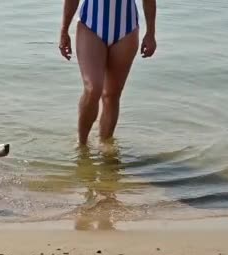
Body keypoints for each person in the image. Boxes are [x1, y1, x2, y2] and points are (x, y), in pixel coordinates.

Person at [59, 0, 157, 147]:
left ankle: (105, 147)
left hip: (126, 28)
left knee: (112, 95)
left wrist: (150, 33)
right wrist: (64, 31)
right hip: (90, 25)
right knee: (93, 88)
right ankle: (82, 146)